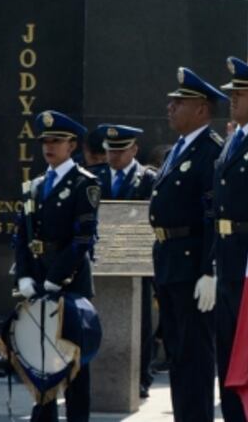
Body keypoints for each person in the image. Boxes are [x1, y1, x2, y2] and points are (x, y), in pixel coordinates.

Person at [148, 67, 225, 422]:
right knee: (178, 355)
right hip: (170, 261)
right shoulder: (178, 149)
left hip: (193, 265)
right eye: (171, 102)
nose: (170, 107)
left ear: (201, 109)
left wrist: (209, 269)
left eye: (179, 102)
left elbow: (213, 216)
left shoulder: (211, 152)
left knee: (195, 356)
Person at [15, 110, 100, 422]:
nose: (49, 147)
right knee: (41, 359)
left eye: (56, 141)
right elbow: (22, 235)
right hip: (38, 278)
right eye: (45, 141)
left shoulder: (84, 184)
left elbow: (82, 238)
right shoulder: (36, 185)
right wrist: (24, 275)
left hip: (69, 281)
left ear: (72, 145)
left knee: (74, 360)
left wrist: (55, 278)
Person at [212, 57, 248, 422]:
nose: (232, 98)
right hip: (228, 258)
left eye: (241, 92)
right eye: (232, 92)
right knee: (229, 353)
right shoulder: (236, 138)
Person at [92, 124, 158, 397]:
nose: (114, 156)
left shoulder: (148, 179)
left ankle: (141, 376)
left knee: (141, 319)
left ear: (134, 150)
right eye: (110, 151)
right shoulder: (94, 177)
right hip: (100, 259)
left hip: (135, 258)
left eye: (120, 151)